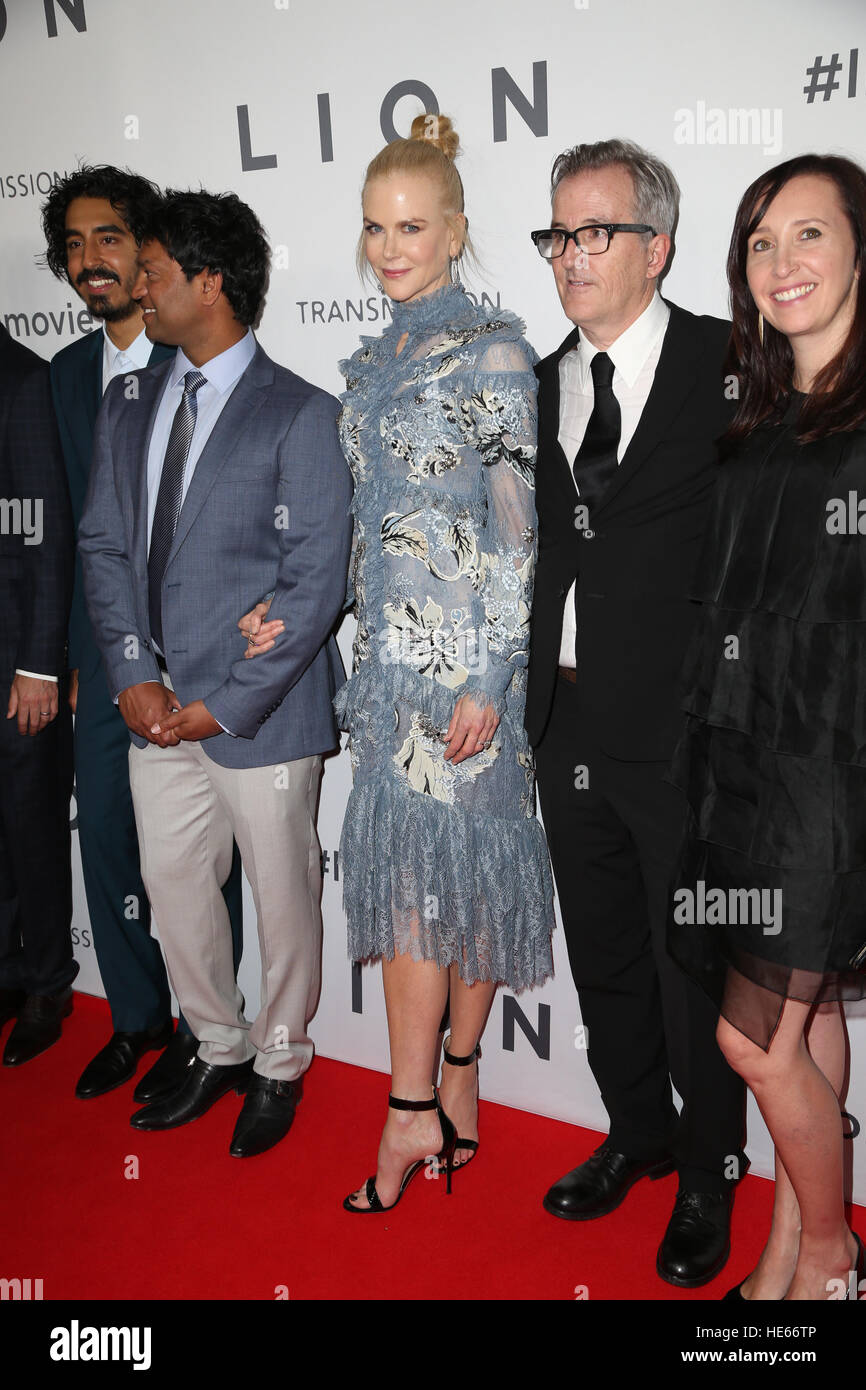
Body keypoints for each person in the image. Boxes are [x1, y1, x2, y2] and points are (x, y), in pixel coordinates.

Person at [296, 113, 553, 1212]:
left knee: (478, 878)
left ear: (454, 230)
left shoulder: (492, 348)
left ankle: (451, 1075)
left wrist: (489, 680)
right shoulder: (372, 359)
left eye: (411, 226)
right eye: (373, 228)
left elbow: (516, 527)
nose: (389, 246)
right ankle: (416, 1108)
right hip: (390, 670)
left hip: (467, 668)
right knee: (408, 884)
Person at [78, 190, 352, 1157]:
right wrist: (130, 676)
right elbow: (104, 547)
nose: (135, 286)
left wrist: (222, 706)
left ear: (210, 282)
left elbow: (315, 583)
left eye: (152, 270)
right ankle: (217, 1042)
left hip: (258, 718)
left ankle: (280, 1062)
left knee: (283, 901)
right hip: (154, 710)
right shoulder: (129, 402)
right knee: (175, 889)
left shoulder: (303, 415)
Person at [525, 138, 745, 1287]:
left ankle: (709, 1173)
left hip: (678, 738)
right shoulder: (534, 377)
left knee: (687, 966)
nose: (569, 254)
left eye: (592, 232)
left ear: (654, 245)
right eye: (556, 233)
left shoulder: (728, 364)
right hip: (560, 724)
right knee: (603, 950)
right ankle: (636, 1130)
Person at [667, 153, 866, 1301]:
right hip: (737, 753)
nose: (781, 263)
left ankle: (832, 1256)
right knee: (804, 1016)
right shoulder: (757, 411)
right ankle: (788, 1249)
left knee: (752, 1040)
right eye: (758, 242)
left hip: (824, 773)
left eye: (807, 235)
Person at [42, 165, 245, 1104]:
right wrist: (64, 656)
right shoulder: (66, 378)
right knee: (114, 846)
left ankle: (221, 1028)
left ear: (150, 253)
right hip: (99, 651)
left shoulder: (196, 359)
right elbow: (60, 530)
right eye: (75, 245)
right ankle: (136, 1020)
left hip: (202, 657)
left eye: (111, 240)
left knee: (208, 853)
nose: (93, 262)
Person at [0, 321, 75, 1065]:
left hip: (14, 662)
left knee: (31, 829)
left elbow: (43, 533)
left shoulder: (21, 381)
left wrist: (38, 664)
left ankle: (48, 982)